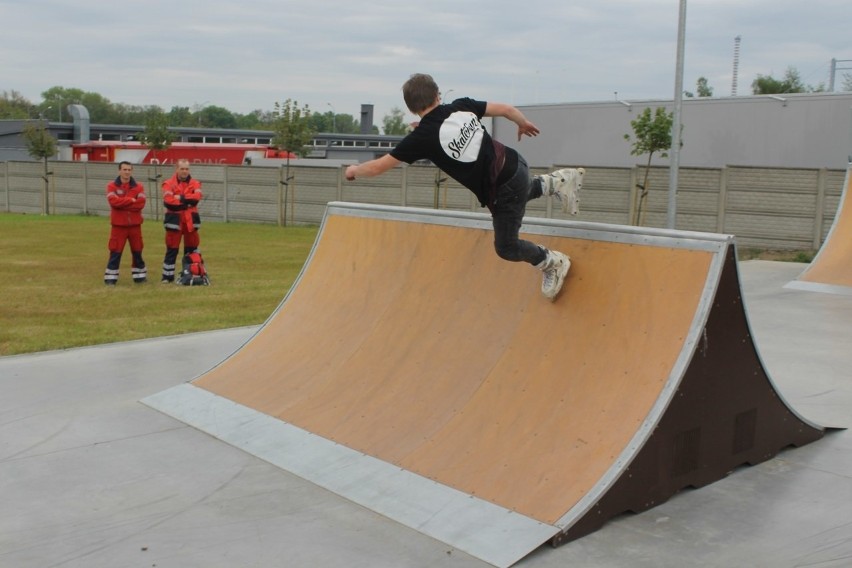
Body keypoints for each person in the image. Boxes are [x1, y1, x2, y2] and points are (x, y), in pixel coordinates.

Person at [345, 73, 585, 300]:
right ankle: (558, 181)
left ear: (411, 108)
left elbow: (377, 167)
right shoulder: (460, 105)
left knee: (507, 247)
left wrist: (354, 170)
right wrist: (522, 123)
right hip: (516, 163)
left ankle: (552, 261)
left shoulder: (421, 138)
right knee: (519, 194)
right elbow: (506, 110)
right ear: (438, 95)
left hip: (503, 187)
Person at [103, 161, 147, 285]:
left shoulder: (139, 187)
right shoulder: (111, 186)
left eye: (129, 170)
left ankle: (140, 277)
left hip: (135, 226)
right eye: (124, 169)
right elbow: (113, 202)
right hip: (118, 226)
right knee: (115, 251)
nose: (127, 172)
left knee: (137, 250)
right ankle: (110, 278)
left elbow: (141, 204)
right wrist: (130, 200)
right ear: (119, 171)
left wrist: (123, 203)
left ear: (131, 171)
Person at [160, 159, 203, 283]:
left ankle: (191, 275)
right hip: (175, 221)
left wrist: (180, 197)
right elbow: (168, 201)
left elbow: (196, 198)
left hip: (190, 222)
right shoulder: (168, 183)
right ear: (176, 169)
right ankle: (167, 277)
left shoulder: (195, 183)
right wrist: (186, 203)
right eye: (182, 169)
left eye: (187, 169)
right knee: (171, 250)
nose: (185, 171)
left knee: (191, 250)